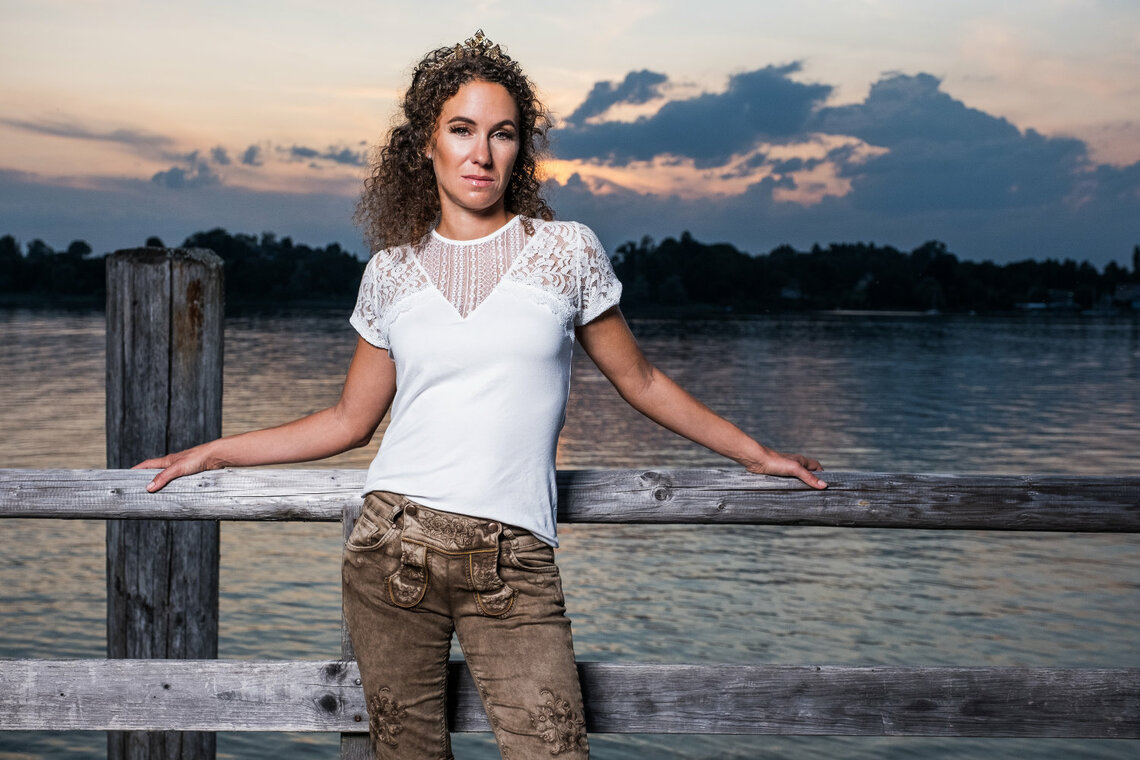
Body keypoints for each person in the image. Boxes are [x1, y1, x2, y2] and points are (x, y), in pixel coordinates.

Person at [136, 30, 826, 760]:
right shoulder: (391, 273)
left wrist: (755, 454)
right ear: (425, 145)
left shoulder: (567, 251)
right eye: (462, 130)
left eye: (502, 133)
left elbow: (642, 381)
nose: (482, 153)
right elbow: (348, 420)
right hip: (391, 548)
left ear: (520, 149)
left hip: (514, 558)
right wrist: (214, 452)